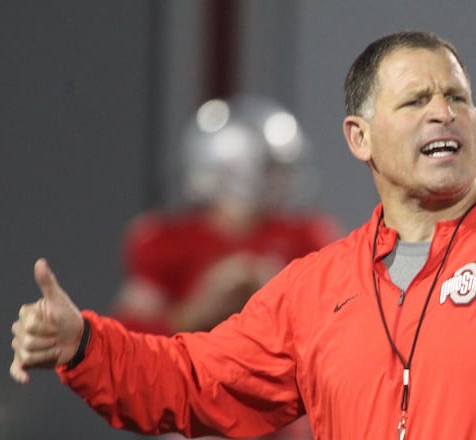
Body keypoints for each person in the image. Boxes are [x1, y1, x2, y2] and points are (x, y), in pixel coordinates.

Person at [10, 31, 476, 439]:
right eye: (416, 101)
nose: (442, 114)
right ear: (358, 138)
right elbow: (194, 380)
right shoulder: (316, 284)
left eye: (456, 97)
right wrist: (84, 347)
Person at [113, 95, 339, 440]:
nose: (278, 181)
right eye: (267, 169)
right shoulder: (166, 240)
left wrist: (277, 295)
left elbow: (344, 334)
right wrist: (196, 311)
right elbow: (127, 353)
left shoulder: (306, 236)